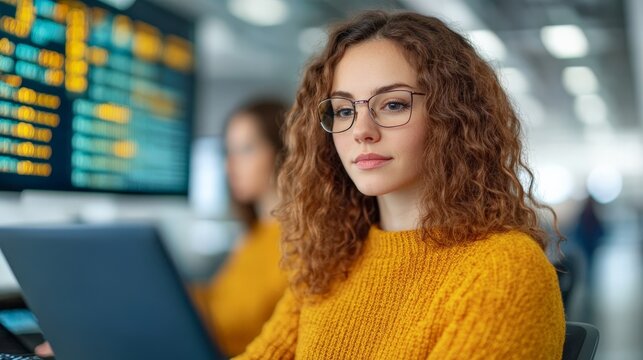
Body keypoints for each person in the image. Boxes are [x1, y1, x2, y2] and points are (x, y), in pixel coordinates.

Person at [234, 11, 565, 359]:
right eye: (344, 110)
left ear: (450, 117)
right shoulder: (330, 262)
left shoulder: (504, 270)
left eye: (393, 104)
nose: (362, 130)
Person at [34, 100, 289, 358]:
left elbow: (234, 324)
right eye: (228, 152)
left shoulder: (296, 242)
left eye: (246, 149)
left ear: (282, 151)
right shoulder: (255, 235)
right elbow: (216, 305)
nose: (229, 166)